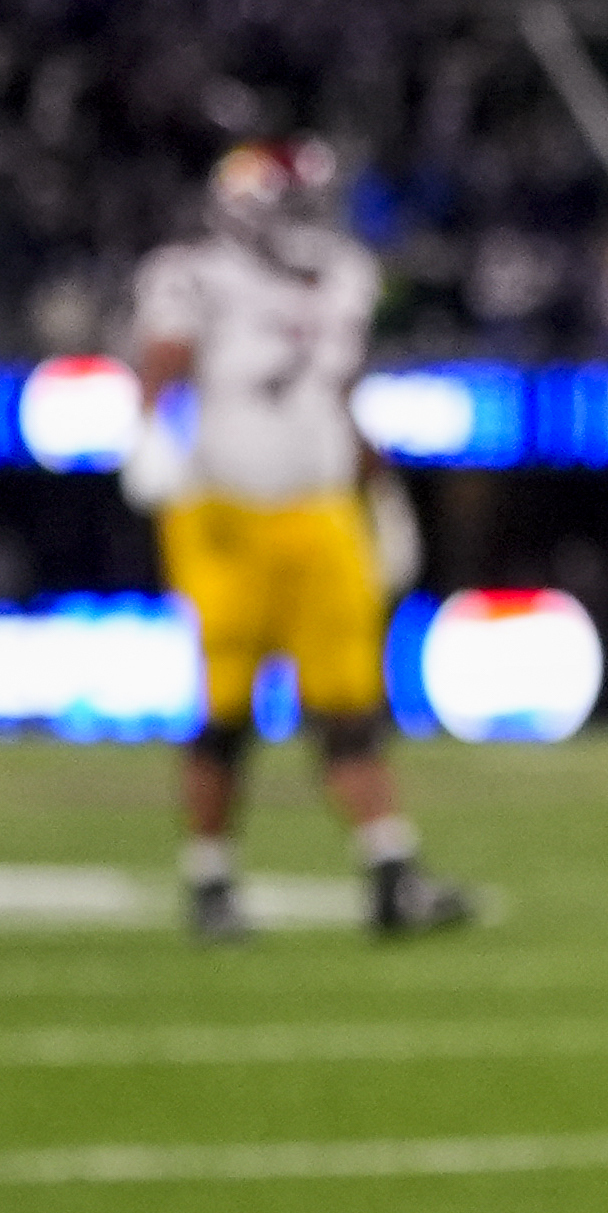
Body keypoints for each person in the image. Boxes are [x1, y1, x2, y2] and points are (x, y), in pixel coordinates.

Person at [122, 140, 472, 942]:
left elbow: (334, 395)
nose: (314, 218)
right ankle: (210, 880)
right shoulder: (193, 274)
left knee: (349, 703)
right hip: (226, 512)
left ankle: (391, 873)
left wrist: (380, 491)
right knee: (226, 710)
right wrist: (145, 432)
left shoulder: (345, 273)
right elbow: (164, 360)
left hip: (321, 510)